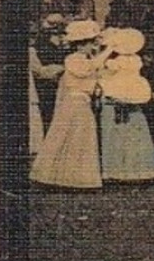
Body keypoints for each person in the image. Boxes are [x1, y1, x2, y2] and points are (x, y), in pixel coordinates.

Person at [29, 19, 107, 190]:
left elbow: (91, 78)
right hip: (74, 103)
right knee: (69, 135)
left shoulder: (84, 60)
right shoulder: (73, 59)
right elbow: (86, 70)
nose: (91, 47)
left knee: (80, 138)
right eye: (89, 43)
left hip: (82, 102)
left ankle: (74, 177)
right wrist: (106, 52)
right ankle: (58, 175)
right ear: (81, 45)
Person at [96, 28, 154, 184]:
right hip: (129, 97)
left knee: (118, 136)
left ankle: (118, 171)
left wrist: (107, 51)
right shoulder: (135, 60)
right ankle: (135, 170)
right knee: (132, 137)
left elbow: (98, 68)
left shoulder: (114, 62)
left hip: (119, 97)